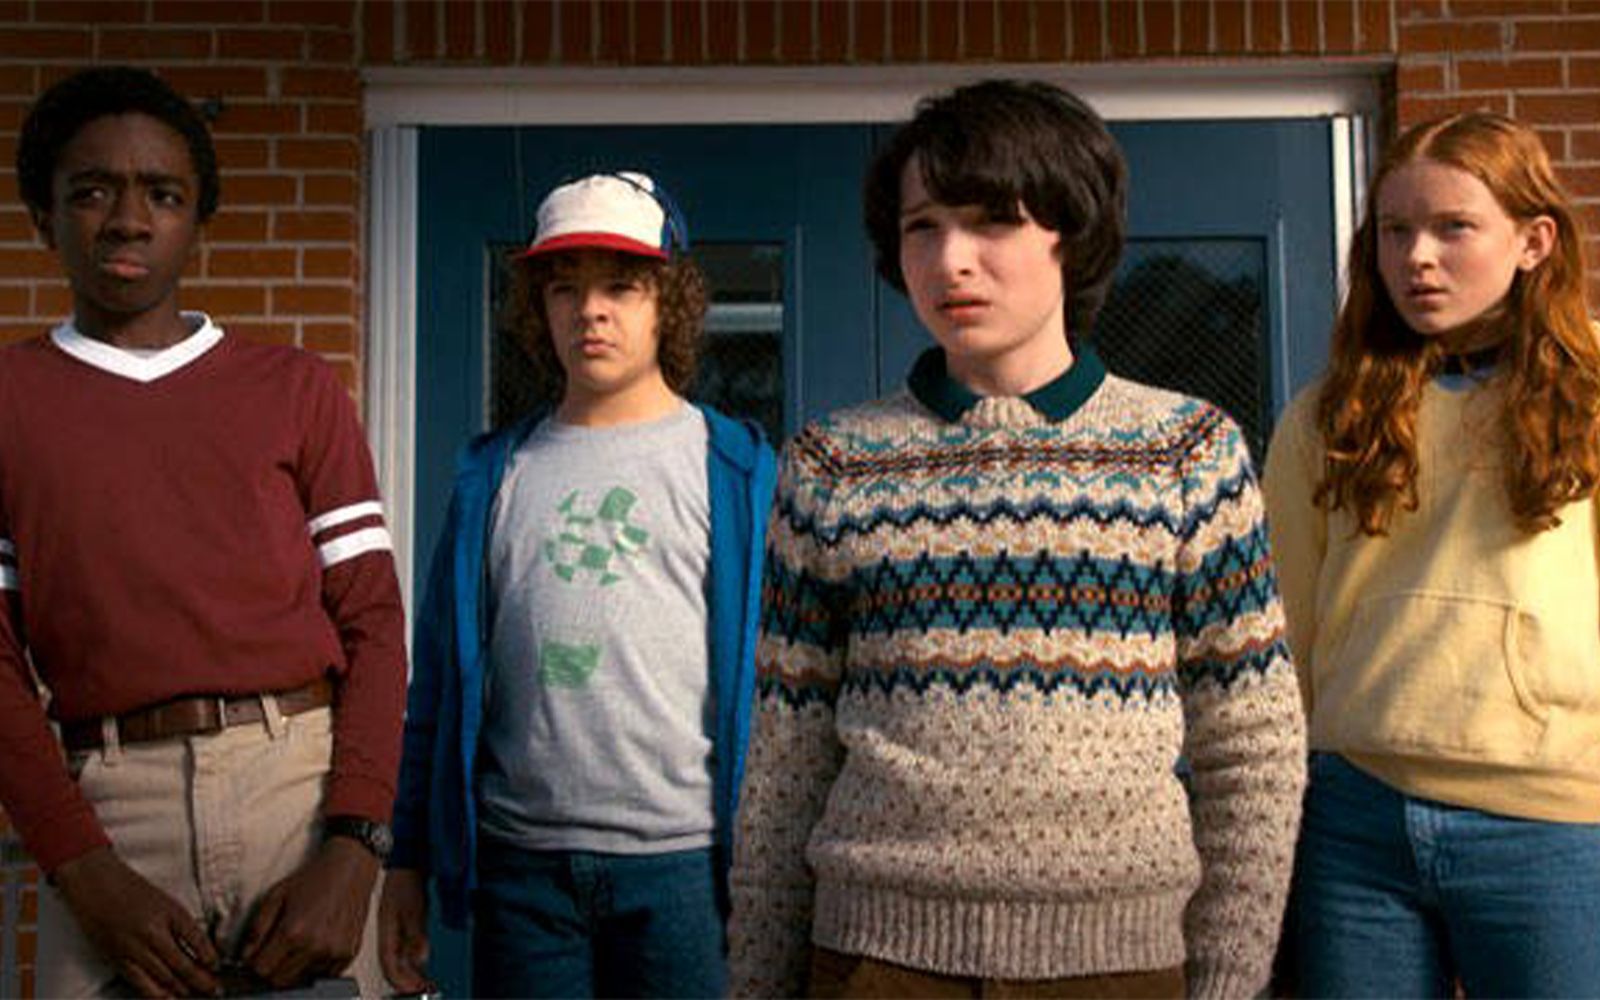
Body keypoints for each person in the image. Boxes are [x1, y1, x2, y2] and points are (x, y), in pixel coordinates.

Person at [727, 78, 1306, 1000]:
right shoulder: (832, 463)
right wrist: (756, 982)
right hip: (876, 966)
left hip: (1119, 971)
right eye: (922, 227)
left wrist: (1229, 981)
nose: (950, 260)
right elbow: (785, 761)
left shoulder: (1188, 453)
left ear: (1070, 232)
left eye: (991, 221)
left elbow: (1253, 743)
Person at [0, 66, 407, 997]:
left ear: (197, 220)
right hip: (105, 811)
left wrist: (356, 845)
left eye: (163, 194)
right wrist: (80, 867)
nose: (128, 220)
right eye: (91, 191)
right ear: (43, 217)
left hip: (297, 793)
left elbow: (375, 627)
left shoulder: (296, 389)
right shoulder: (10, 398)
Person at [379, 171, 777, 998]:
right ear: (539, 308)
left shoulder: (737, 472)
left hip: (687, 870)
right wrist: (406, 856)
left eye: (620, 288)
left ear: (668, 304)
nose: (590, 310)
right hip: (521, 870)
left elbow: (787, 695)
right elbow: (437, 689)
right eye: (565, 288)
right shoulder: (492, 475)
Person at [1263, 110, 1600, 997]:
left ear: (1533, 241)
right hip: (1353, 817)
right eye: (1395, 230)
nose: (1417, 257)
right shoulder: (1326, 415)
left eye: (1454, 228)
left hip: (1557, 820)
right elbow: (1284, 633)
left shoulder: (1592, 394)